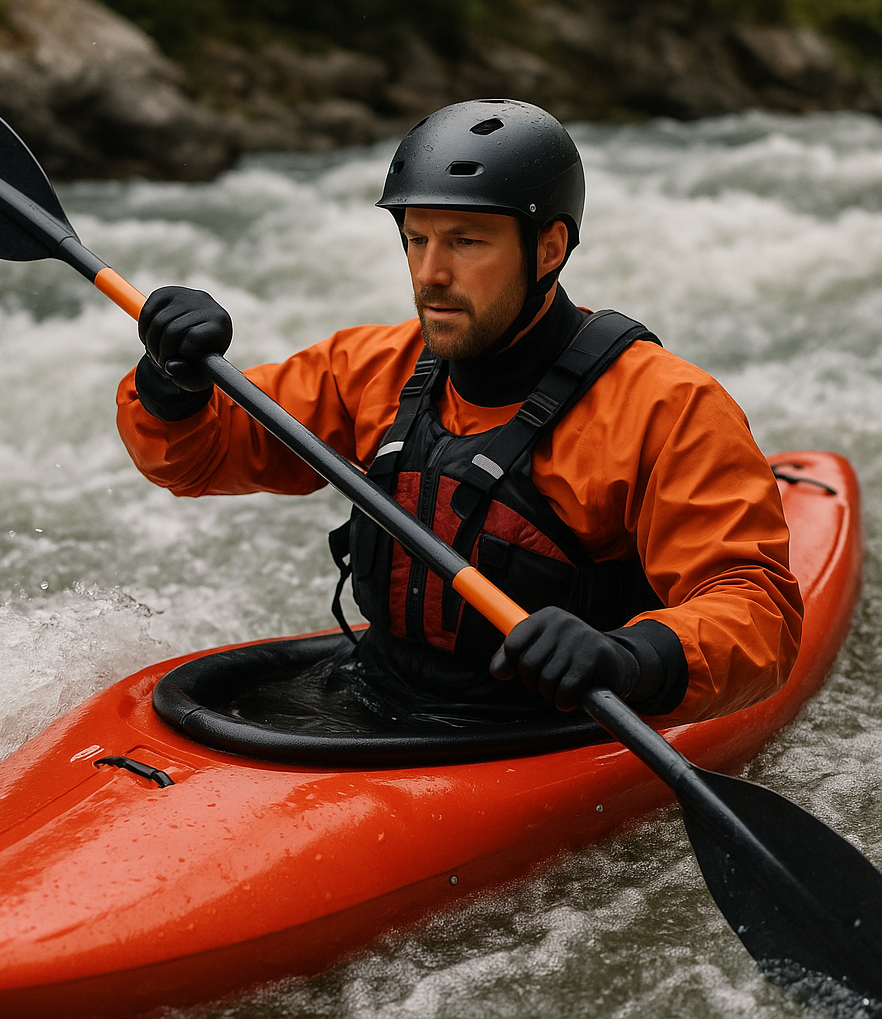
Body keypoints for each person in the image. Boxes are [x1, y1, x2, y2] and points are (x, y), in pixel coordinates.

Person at [116, 99, 802, 726]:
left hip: (548, 719)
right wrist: (173, 383)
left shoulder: (666, 407)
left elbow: (757, 612)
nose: (430, 274)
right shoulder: (373, 366)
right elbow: (198, 458)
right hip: (378, 691)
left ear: (550, 247)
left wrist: (631, 656)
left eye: (466, 241)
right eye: (417, 239)